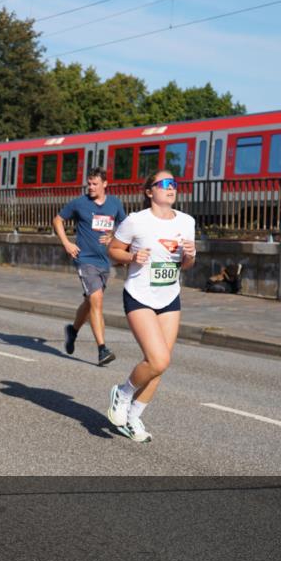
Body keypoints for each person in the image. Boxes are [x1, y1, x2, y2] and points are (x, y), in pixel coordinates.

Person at [106, 171, 195, 442]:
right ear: (149, 192)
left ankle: (133, 417)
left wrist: (190, 256)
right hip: (139, 296)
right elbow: (113, 250)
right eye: (164, 184)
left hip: (169, 297)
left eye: (174, 184)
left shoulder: (186, 221)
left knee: (160, 365)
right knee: (158, 358)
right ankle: (121, 394)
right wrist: (132, 255)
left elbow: (186, 265)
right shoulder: (136, 221)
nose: (171, 188)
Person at [53, 167, 127, 366]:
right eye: (89, 183)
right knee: (97, 300)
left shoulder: (114, 203)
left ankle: (73, 331)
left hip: (104, 261)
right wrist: (67, 243)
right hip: (85, 259)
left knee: (90, 303)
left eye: (95, 184)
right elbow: (58, 220)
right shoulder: (80, 203)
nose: (91, 187)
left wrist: (113, 236)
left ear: (105, 184)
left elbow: (125, 226)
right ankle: (102, 349)